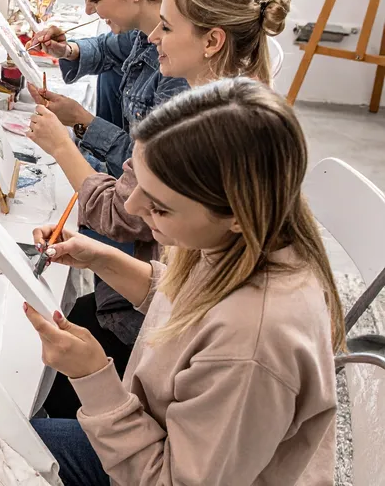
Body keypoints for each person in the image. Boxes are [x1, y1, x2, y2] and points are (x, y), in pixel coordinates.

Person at [26, 77, 344, 485]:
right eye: (137, 180)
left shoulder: (251, 345)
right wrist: (103, 259)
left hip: (161, 467)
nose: (134, 206)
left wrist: (94, 378)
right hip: (163, 435)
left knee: (4, 441)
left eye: (159, 206)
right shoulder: (247, 240)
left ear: (234, 214)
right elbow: (187, 299)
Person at [31, 0, 292, 419]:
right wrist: (101, 258)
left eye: (166, 28)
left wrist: (97, 383)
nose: (151, 38)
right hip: (161, 323)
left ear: (212, 41)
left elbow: (165, 466)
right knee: (47, 362)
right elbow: (185, 287)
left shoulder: (198, 129)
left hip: (156, 375)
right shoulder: (210, 107)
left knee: (22, 417)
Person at [26, 0, 189, 178]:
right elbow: (107, 48)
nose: (88, 10)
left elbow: (151, 169)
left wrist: (81, 121)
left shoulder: (179, 69)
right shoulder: (143, 31)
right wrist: (67, 50)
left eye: (95, 0)